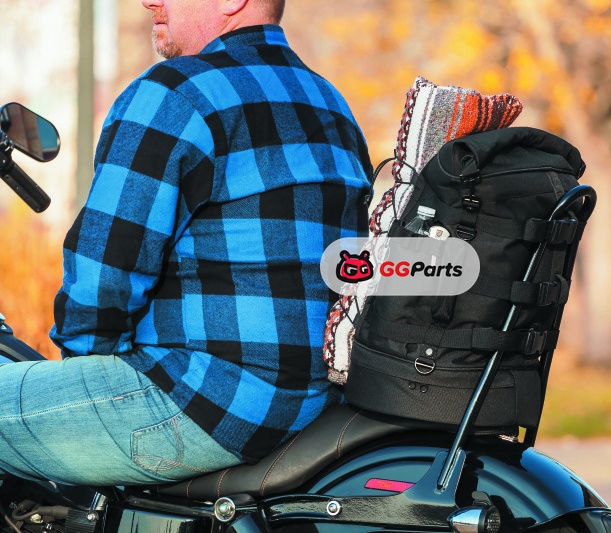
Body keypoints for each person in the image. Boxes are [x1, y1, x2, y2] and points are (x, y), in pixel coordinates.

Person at [0, 0, 372, 486]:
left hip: (206, 399)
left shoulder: (177, 92)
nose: (149, 1)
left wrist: (85, 369)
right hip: (311, 407)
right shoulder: (329, 102)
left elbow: (104, 275)